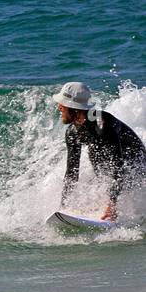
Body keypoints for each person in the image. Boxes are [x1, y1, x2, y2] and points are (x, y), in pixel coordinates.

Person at [54, 81, 146, 221]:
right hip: (114, 157)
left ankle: (114, 207)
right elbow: (72, 172)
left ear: (74, 108)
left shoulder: (102, 125)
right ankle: (106, 204)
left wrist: (112, 204)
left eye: (63, 104)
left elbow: (117, 165)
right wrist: (64, 205)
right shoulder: (72, 132)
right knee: (95, 153)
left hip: (136, 158)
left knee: (101, 156)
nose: (59, 107)